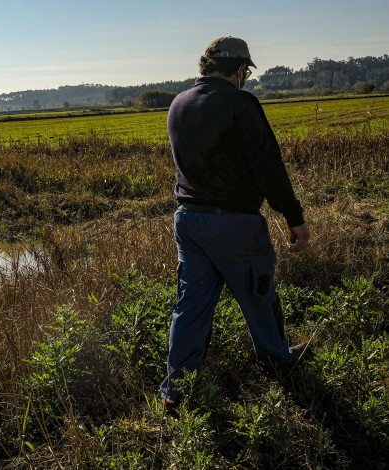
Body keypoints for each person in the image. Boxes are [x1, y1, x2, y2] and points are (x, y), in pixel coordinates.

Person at [160, 36, 311, 411]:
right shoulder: (240, 103)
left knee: (190, 306)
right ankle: (280, 363)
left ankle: (176, 391)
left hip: (187, 220)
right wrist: (293, 217)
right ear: (241, 70)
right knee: (259, 296)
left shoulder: (178, 104)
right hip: (234, 224)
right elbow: (268, 167)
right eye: (246, 72)